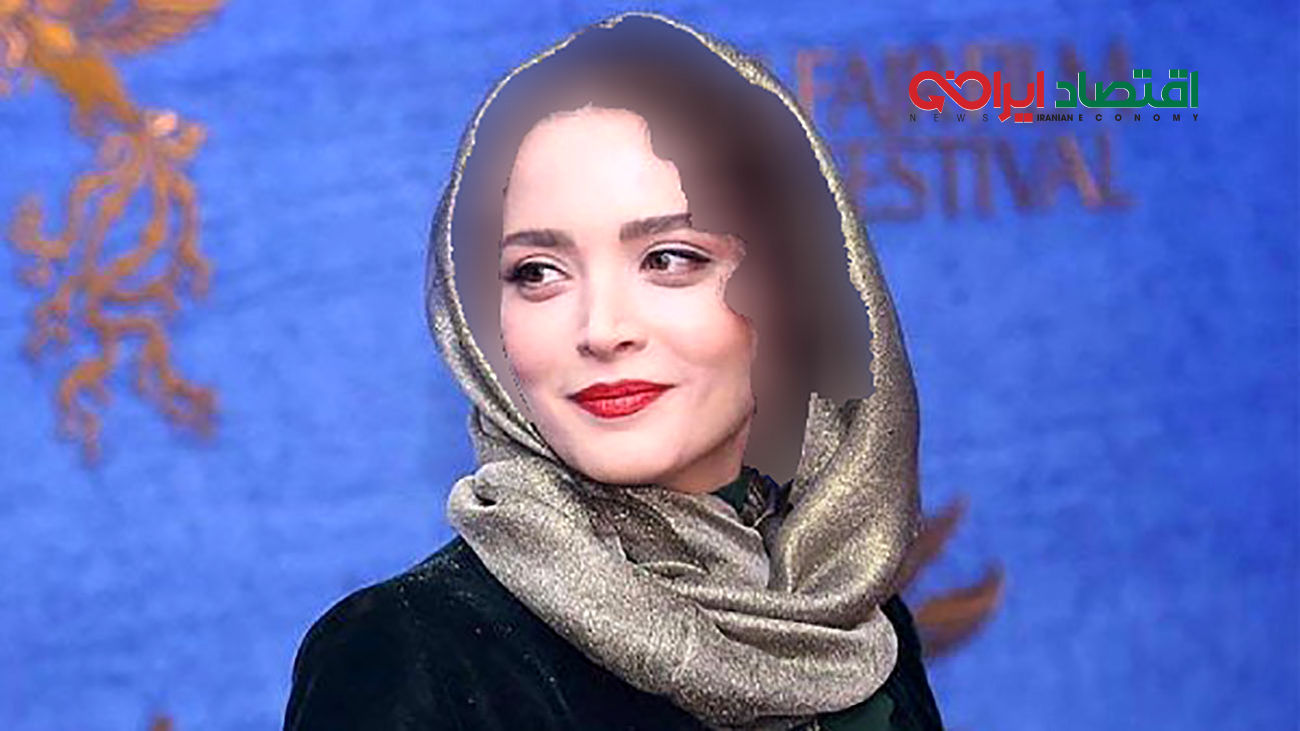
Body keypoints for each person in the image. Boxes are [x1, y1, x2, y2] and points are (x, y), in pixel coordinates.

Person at [284, 12, 945, 731]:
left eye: (669, 259)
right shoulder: (412, 656)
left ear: (796, 285)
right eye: (537, 272)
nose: (601, 330)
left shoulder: (848, 617)